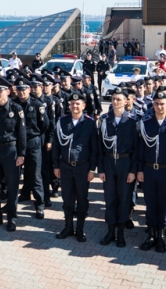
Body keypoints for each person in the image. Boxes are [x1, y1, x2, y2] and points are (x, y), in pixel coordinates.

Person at [137, 91, 166, 253]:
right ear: (153, 104)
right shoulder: (146, 123)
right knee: (150, 203)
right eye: (156, 103)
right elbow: (140, 149)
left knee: (164, 204)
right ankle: (150, 235)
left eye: (162, 103)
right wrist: (139, 169)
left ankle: (161, 236)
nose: (159, 106)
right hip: (148, 170)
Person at [53, 92, 100, 242]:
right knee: (67, 199)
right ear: (69, 105)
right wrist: (56, 165)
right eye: (72, 103)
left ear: (84, 106)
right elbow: (56, 146)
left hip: (82, 167)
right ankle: (68, 227)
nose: (75, 106)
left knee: (82, 200)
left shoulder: (90, 123)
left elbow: (94, 148)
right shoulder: (61, 122)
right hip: (65, 166)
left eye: (78, 103)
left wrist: (93, 169)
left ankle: (80, 229)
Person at [0, 78, 26, 232]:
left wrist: (22, 154)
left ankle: (12, 218)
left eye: (0, 91)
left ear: (8, 92)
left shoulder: (16, 109)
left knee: (12, 186)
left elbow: (21, 133)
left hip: (11, 151)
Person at [98, 87, 138, 247]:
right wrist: (100, 169)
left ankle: (120, 233)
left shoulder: (133, 121)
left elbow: (137, 150)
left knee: (124, 199)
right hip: (108, 163)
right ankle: (110, 232)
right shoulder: (104, 120)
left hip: (125, 164)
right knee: (110, 199)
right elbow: (100, 147)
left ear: (126, 101)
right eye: (113, 99)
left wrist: (133, 171)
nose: (115, 102)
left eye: (119, 99)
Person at [14, 77, 48, 219]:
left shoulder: (37, 104)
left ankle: (40, 205)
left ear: (29, 90)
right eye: (19, 90)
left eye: (24, 90)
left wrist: (34, 136)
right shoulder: (13, 104)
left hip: (32, 142)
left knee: (35, 175)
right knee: (14, 176)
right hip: (16, 144)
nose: (21, 93)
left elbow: (44, 124)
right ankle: (13, 204)